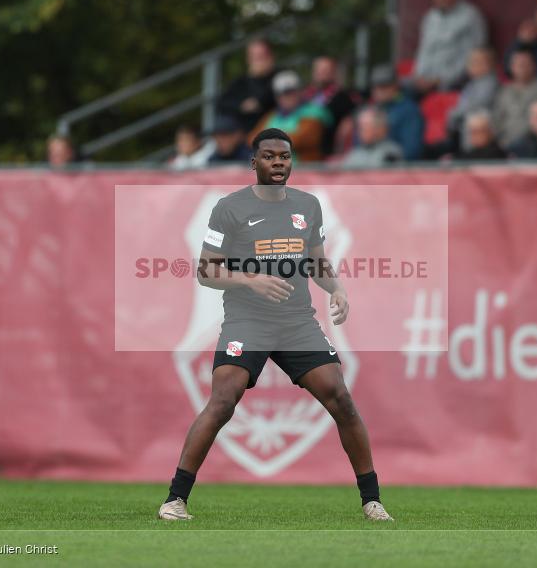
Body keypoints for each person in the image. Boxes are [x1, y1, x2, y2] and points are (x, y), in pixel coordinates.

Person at [158, 128, 393, 522]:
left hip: (296, 322)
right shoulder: (229, 208)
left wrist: (336, 288)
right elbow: (205, 270)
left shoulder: (308, 206)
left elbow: (316, 259)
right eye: (269, 157)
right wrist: (251, 280)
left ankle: (372, 501)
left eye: (284, 156)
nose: (278, 163)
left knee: (341, 399)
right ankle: (175, 499)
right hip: (248, 321)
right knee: (222, 402)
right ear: (254, 163)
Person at [410, 0, 488, 94]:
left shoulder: (470, 16)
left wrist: (440, 80)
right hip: (424, 80)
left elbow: (473, 57)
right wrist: (417, 75)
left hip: (453, 81)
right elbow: (424, 50)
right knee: (392, 90)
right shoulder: (430, 17)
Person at [250, 71, 331, 162]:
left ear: (300, 91)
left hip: (304, 169)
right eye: (281, 93)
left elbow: (303, 139)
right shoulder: (272, 115)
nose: (286, 97)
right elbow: (252, 138)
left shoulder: (314, 112)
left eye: (290, 92)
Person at [492, 46, 537, 148]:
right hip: (503, 142)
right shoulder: (504, 90)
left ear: (534, 66)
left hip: (531, 143)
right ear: (511, 67)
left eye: (525, 64)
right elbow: (497, 118)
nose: (521, 67)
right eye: (518, 64)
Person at [216, 39, 277, 132]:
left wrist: (258, 78)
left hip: (272, 131)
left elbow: (269, 98)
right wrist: (241, 106)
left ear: (271, 57)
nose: (258, 61)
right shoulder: (241, 81)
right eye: (254, 57)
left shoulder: (279, 77)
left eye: (262, 56)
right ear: (248, 59)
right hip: (244, 133)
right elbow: (222, 103)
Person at [302, 57, 358, 156]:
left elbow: (349, 123)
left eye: (326, 70)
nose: (322, 73)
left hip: (330, 151)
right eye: (319, 69)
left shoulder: (343, 97)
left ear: (333, 73)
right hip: (307, 149)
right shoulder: (305, 96)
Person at [368, 65, 424, 160]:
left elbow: (411, 151)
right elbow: (358, 146)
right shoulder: (370, 110)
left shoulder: (409, 110)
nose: (379, 91)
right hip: (369, 162)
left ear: (395, 86)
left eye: (384, 86)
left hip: (396, 167)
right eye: (375, 87)